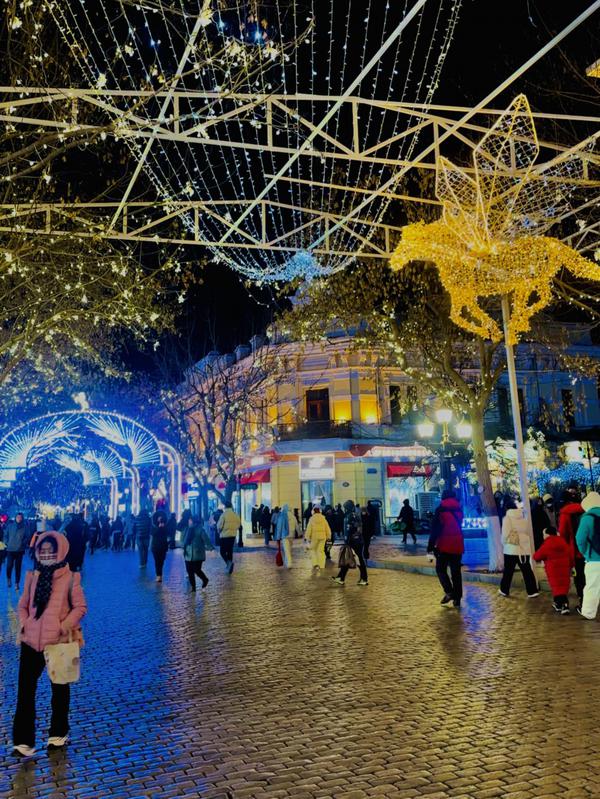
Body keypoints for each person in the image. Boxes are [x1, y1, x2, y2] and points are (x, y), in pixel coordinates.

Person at [12, 532, 87, 757]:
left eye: (50, 551)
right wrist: (26, 623)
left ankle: (58, 733)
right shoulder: (33, 577)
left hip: (59, 642)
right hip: (31, 642)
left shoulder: (71, 578)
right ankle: (24, 741)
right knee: (25, 691)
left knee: (59, 690)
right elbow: (23, 605)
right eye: (42, 551)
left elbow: (80, 607)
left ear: (60, 551)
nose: (46, 554)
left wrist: (64, 625)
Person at [427, 490, 464, 608]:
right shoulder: (459, 509)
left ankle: (449, 592)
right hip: (458, 544)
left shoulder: (440, 509)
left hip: (444, 544)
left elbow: (435, 529)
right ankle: (457, 598)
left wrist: (430, 546)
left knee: (440, 569)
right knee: (456, 572)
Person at [499, 503, 539, 599]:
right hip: (523, 548)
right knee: (527, 570)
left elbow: (505, 534)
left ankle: (504, 590)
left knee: (508, 571)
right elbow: (527, 531)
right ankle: (532, 591)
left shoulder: (507, 519)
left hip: (511, 549)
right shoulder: (523, 518)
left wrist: (503, 543)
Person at [533, 526, 572, 614]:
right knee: (562, 586)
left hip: (553, 570)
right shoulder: (563, 542)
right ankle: (558, 604)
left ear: (547, 534)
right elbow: (570, 554)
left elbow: (537, 556)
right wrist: (571, 565)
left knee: (557, 587)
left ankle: (564, 605)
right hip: (564, 569)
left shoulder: (547, 543)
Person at [557, 491, 585, 608]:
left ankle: (583, 599)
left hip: (575, 551)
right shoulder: (584, 509)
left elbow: (563, 535)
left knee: (579, 577)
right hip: (588, 549)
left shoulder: (564, 514)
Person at [575, 491, 600, 619]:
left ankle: (589, 613)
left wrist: (585, 552)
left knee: (592, 587)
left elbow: (580, 539)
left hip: (594, 559)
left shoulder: (587, 517)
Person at [332, 500, 368, 586]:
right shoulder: (356, 515)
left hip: (353, 542)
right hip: (358, 540)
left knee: (357, 559)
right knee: (349, 558)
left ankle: (364, 578)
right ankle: (341, 577)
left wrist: (347, 541)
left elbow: (348, 530)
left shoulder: (349, 517)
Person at [183, 516, 212, 592]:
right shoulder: (187, 529)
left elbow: (206, 540)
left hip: (198, 554)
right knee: (189, 571)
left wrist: (210, 547)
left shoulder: (200, 530)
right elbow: (184, 540)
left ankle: (205, 579)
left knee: (197, 570)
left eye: (190, 521)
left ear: (194, 522)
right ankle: (193, 588)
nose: (189, 522)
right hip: (188, 554)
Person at [217, 502, 240, 574]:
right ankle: (229, 566)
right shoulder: (235, 515)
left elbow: (219, 526)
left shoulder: (223, 515)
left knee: (222, 552)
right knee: (230, 551)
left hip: (224, 536)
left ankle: (228, 564)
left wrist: (219, 531)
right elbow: (238, 524)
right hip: (232, 535)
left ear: (225, 507)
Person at [6, 513, 28, 590]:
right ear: (15, 518)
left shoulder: (24, 527)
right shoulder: (10, 526)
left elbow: (26, 537)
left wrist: (23, 543)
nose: (19, 518)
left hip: (19, 550)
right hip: (10, 550)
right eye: (17, 517)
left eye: (20, 517)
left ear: (22, 518)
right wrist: (6, 543)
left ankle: (16, 583)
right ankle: (9, 579)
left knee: (18, 568)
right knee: (9, 566)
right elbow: (6, 535)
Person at [305, 507, 331, 571]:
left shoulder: (311, 519)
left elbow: (309, 529)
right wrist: (328, 536)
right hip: (323, 537)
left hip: (314, 537)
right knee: (321, 551)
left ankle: (315, 563)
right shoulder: (323, 519)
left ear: (313, 512)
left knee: (313, 550)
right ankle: (322, 565)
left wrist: (307, 537)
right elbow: (327, 528)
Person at [274, 503, 298, 568]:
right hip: (292, 535)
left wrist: (278, 537)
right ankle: (287, 562)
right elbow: (297, 526)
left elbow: (279, 528)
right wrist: (299, 533)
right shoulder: (293, 516)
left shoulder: (282, 516)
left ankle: (289, 563)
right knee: (289, 549)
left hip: (285, 536)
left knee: (286, 550)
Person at [150, 514, 169, 583]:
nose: (160, 520)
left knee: (161, 562)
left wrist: (163, 528)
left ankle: (160, 574)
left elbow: (167, 533)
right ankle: (158, 575)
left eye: (161, 518)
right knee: (157, 561)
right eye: (159, 518)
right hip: (155, 547)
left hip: (163, 547)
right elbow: (153, 533)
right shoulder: (153, 526)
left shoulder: (165, 526)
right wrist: (159, 528)